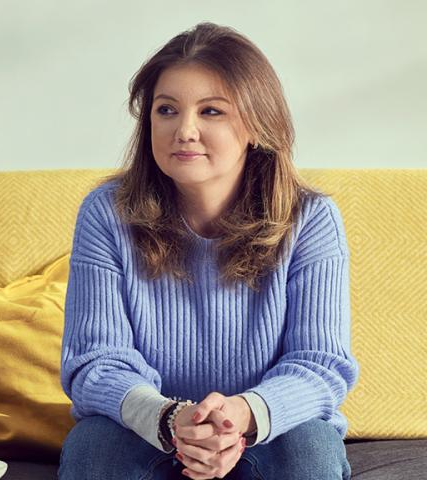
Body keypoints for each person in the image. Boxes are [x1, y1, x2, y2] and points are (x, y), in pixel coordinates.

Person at [58, 21, 359, 480]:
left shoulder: (311, 219)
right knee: (94, 448)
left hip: (267, 431)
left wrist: (240, 415)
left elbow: (321, 365)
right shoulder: (106, 213)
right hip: (145, 429)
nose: (185, 130)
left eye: (212, 111)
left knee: (309, 448)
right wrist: (170, 420)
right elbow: (96, 361)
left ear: (257, 124)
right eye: (167, 110)